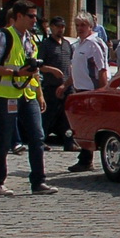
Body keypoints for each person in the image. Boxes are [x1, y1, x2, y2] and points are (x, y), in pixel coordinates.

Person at [0, 0, 56, 196]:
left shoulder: (30, 38)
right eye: (31, 16)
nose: (35, 20)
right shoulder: (3, 36)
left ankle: (38, 181)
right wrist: (16, 72)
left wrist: (40, 94)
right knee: (4, 138)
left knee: (37, 136)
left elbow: (34, 71)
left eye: (36, 16)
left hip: (28, 93)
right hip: (7, 94)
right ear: (18, 16)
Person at [67, 13, 109, 172]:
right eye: (77, 25)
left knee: (89, 125)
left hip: (91, 90)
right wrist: (65, 86)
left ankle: (86, 159)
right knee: (83, 125)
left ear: (90, 26)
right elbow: (77, 70)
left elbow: (102, 69)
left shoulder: (94, 44)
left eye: (83, 25)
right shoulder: (79, 45)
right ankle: (85, 158)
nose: (79, 29)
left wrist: (102, 92)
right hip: (80, 90)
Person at [39, 16, 75, 146]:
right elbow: (39, 66)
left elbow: (72, 63)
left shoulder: (67, 44)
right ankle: (40, 140)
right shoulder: (46, 45)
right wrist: (51, 70)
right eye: (58, 26)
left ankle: (69, 142)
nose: (60, 29)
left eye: (62, 27)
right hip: (52, 85)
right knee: (48, 115)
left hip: (67, 85)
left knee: (67, 116)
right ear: (52, 27)